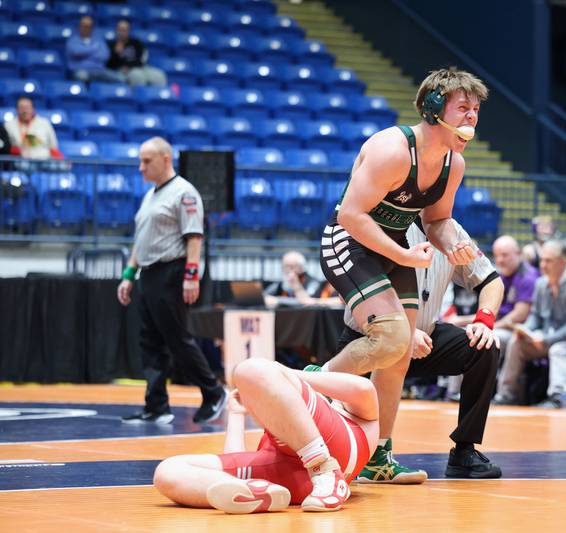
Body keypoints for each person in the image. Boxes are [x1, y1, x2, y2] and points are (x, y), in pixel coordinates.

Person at [316, 67, 488, 482]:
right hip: (349, 240)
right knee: (392, 336)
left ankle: (377, 456)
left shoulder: (453, 164)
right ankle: (314, 384)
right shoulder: (392, 150)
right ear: (433, 109)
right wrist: (404, 255)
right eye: (463, 108)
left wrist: (452, 243)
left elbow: (436, 220)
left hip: (393, 246)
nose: (471, 117)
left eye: (476, 110)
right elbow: (351, 215)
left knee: (396, 357)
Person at [337, 219, 504, 479]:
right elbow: (349, 288)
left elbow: (491, 280)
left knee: (483, 347)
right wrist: (401, 329)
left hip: (425, 338)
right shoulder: (382, 222)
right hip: (371, 337)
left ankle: (464, 452)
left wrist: (484, 320)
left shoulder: (452, 231)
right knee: (341, 425)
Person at [153, 359, 379, 513]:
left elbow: (364, 388)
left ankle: (323, 467)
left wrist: (283, 372)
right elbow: (235, 459)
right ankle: (256, 493)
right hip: (287, 478)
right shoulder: (286, 424)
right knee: (167, 472)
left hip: (331, 454)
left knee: (249, 369)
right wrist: (236, 414)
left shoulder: (349, 413)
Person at [117, 137, 226, 425]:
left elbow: (194, 237)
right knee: (149, 341)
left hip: (172, 272)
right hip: (148, 273)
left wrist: (191, 276)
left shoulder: (184, 192)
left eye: (146, 161)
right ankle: (156, 405)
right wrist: (129, 275)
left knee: (176, 338)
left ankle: (214, 392)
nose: (141, 168)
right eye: (140, 161)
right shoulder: (150, 196)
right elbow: (141, 240)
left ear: (165, 159)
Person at [494, 240, 566, 408]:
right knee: (516, 342)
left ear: (563, 262)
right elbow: (536, 315)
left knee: (557, 350)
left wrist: (547, 340)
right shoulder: (542, 283)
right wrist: (526, 330)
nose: (543, 265)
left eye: (548, 261)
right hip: (548, 337)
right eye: (542, 260)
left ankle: (559, 398)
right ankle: (507, 394)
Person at [491, 234, 539, 356]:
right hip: (501, 326)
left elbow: (520, 315)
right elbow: (492, 310)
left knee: (483, 338)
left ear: (518, 254)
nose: (500, 260)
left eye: (504, 255)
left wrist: (490, 327)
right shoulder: (502, 276)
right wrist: (462, 321)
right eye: (496, 256)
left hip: (518, 332)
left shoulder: (528, 277)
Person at [106, 19, 167, 87]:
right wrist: (116, 53)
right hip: (122, 70)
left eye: (124, 30)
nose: (121, 32)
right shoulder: (111, 45)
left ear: (129, 31)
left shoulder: (136, 43)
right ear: (116, 30)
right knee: (137, 75)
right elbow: (109, 64)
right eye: (120, 30)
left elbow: (141, 59)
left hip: (140, 67)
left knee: (159, 75)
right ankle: (140, 93)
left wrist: (129, 66)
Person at [66, 16, 125, 83]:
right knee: (82, 76)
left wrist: (84, 54)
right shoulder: (72, 41)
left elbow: (104, 55)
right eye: (84, 26)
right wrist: (94, 49)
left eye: (89, 26)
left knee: (121, 78)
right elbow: (76, 52)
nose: (86, 29)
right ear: (79, 27)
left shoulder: (99, 40)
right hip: (80, 69)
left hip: (99, 70)